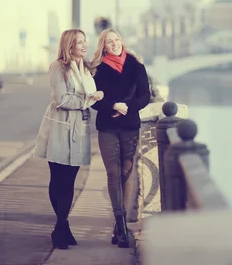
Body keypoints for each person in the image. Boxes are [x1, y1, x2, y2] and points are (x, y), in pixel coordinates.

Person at [32, 29, 104, 250]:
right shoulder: (58, 67)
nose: (84, 45)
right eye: (79, 42)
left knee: (70, 181)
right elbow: (61, 99)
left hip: (80, 130)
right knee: (59, 179)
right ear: (69, 45)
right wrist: (88, 99)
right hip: (60, 129)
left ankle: (62, 227)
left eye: (85, 41)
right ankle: (61, 226)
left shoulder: (87, 68)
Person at [90, 28, 150, 248]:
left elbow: (145, 95)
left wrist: (127, 107)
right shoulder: (97, 70)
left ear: (122, 42)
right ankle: (121, 224)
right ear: (103, 46)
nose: (114, 44)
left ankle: (119, 225)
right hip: (107, 126)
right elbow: (92, 99)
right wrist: (112, 106)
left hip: (130, 125)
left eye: (116, 40)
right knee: (113, 173)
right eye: (109, 41)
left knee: (127, 171)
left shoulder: (136, 66)